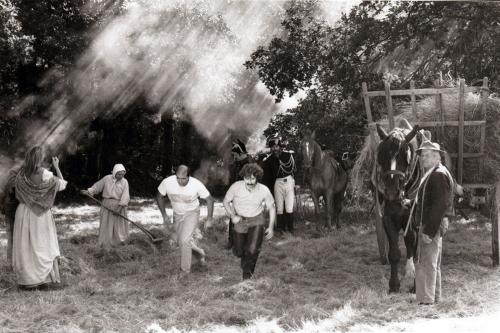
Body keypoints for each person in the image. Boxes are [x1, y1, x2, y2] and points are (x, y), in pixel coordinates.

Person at [12, 146, 67, 289]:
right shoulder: (45, 174)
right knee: (42, 244)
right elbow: (62, 185)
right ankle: (43, 279)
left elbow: (16, 192)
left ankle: (27, 280)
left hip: (23, 211)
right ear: (39, 158)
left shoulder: (20, 175)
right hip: (40, 213)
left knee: (26, 245)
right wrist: (57, 166)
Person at [412, 141, 454, 305]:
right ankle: (434, 297)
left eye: (427, 155)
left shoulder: (438, 174)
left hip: (431, 225)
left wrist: (428, 231)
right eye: (422, 155)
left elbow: (440, 205)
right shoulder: (433, 172)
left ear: (437, 157)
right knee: (433, 263)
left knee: (426, 263)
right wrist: (411, 203)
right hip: (432, 223)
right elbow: (429, 201)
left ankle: (426, 301)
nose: (423, 158)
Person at [156, 165, 214, 274]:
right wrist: (164, 215)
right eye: (178, 178)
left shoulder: (196, 184)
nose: (180, 181)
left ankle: (185, 271)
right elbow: (159, 196)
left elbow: (210, 200)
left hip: (192, 213)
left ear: (189, 177)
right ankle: (200, 253)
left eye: (183, 179)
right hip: (177, 213)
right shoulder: (167, 182)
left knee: (184, 240)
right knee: (180, 241)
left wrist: (209, 219)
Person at [223, 163, 275, 279]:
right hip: (240, 219)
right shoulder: (236, 187)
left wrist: (270, 227)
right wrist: (232, 216)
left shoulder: (263, 190)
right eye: (247, 178)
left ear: (257, 177)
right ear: (243, 177)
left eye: (253, 178)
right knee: (239, 252)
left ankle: (247, 277)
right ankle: (244, 256)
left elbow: (271, 208)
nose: (250, 182)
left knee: (252, 250)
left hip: (256, 219)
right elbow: (225, 202)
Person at [81, 164, 130, 249]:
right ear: (114, 173)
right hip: (107, 204)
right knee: (106, 223)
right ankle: (106, 243)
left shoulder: (125, 182)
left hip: (119, 205)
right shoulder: (107, 178)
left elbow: (125, 196)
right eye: (119, 174)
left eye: (123, 174)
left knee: (118, 225)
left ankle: (118, 243)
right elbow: (97, 187)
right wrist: (88, 191)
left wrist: (119, 208)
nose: (121, 176)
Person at [263, 134, 296, 234]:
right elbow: (268, 177)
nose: (275, 149)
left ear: (280, 146)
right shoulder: (268, 160)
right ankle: (281, 229)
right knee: (279, 208)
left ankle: (290, 229)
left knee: (289, 206)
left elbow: (294, 170)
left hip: (289, 181)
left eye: (276, 146)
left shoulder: (288, 155)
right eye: (273, 147)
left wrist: (297, 184)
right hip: (277, 183)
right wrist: (268, 191)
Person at [226, 139, 251, 249]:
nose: (234, 157)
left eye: (235, 155)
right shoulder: (236, 164)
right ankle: (231, 241)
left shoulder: (249, 164)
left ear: (241, 153)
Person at [1, 167, 20, 269]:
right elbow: (12, 189)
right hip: (12, 210)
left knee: (13, 237)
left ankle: (13, 262)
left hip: (12, 210)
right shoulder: (15, 173)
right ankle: (11, 263)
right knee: (12, 237)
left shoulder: (14, 173)